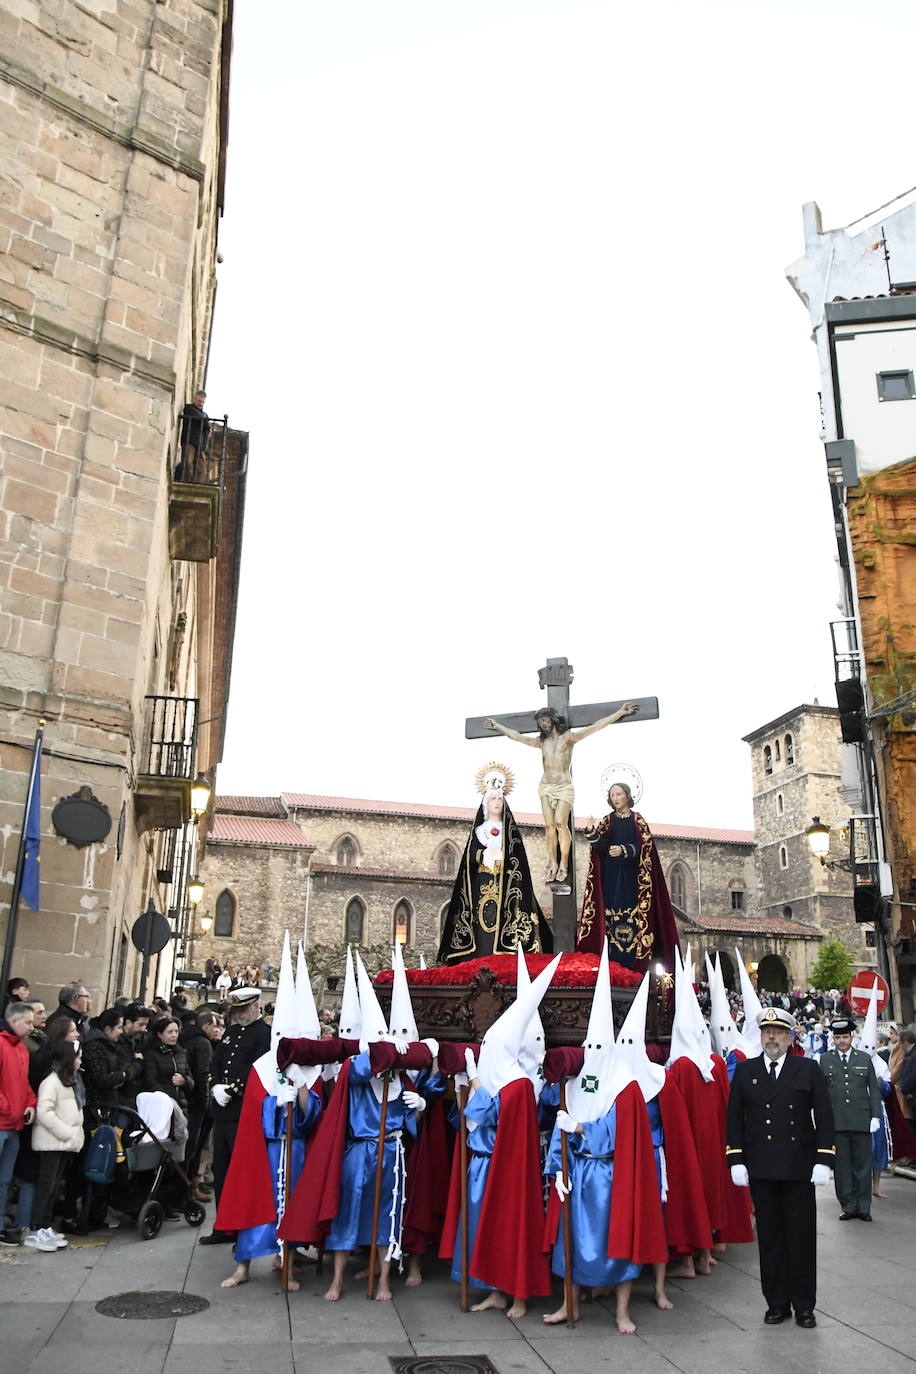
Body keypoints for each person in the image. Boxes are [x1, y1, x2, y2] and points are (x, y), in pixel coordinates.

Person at [726, 1005, 835, 1328]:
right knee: (771, 1239)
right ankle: (776, 1303)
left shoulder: (807, 1069)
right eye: (766, 1031)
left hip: (799, 1167)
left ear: (789, 1037)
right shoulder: (747, 1072)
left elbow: (825, 1117)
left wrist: (824, 1159)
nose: (771, 1037)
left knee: (801, 1238)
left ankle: (804, 1304)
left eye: (777, 1032)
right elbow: (734, 1118)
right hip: (761, 1167)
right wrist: (736, 1158)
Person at [484, 703, 638, 883]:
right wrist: (499, 727)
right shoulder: (541, 742)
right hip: (545, 786)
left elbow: (596, 726)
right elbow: (517, 737)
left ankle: (564, 863)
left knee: (559, 824)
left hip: (564, 787)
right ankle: (553, 863)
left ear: (553, 719)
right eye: (540, 721)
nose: (542, 723)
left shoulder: (568, 738)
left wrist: (619, 712)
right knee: (549, 827)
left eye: (545, 719)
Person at [437, 765, 552, 964]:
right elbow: (468, 857)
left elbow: (519, 861)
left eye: (499, 798)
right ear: (485, 804)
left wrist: (503, 857)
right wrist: (482, 855)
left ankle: (506, 958)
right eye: (492, 799)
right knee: (481, 928)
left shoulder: (510, 833)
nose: (496, 802)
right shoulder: (479, 831)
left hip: (506, 886)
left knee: (504, 920)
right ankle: (478, 958)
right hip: (481, 883)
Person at [576, 783, 681, 971]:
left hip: (633, 880)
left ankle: (634, 964)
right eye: (612, 795)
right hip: (611, 877)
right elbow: (599, 847)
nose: (616, 798)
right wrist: (591, 832)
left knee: (632, 918)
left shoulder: (637, 820)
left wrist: (625, 850)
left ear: (627, 796)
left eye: (619, 794)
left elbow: (645, 847)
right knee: (610, 917)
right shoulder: (607, 821)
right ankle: (610, 964)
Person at [199, 986, 270, 1245]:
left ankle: (240, 1227)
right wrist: (215, 1085)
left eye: (242, 1010)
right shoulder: (230, 1032)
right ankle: (222, 1225)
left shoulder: (264, 1034)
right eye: (236, 1010)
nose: (238, 1015)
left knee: (240, 1172)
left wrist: (234, 1089)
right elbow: (217, 1062)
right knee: (222, 1168)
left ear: (255, 1007)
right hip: (223, 1109)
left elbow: (259, 1068)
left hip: (243, 1111)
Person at [819, 1016, 881, 1222]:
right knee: (842, 1167)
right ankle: (847, 1205)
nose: (842, 1041)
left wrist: (875, 1116)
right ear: (833, 1039)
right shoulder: (825, 1059)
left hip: (861, 1120)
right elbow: (821, 1093)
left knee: (863, 1166)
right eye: (838, 1037)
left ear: (852, 1037)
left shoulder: (864, 1058)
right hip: (837, 1122)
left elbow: (873, 1089)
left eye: (845, 1036)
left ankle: (864, 1206)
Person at [24, 1042, 84, 1252]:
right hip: (52, 1142)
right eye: (77, 1057)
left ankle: (45, 1225)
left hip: (64, 1144)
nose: (80, 1061)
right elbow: (45, 1112)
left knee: (55, 1186)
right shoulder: (51, 1082)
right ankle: (36, 1227)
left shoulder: (70, 1081)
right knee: (46, 1185)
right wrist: (66, 1132)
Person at [0, 1000, 38, 1245]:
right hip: (3, 1122)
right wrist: (10, 1108)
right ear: (14, 1022)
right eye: (28, 1022)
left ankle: (1, 1222)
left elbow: (24, 1086)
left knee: (4, 1179)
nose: (32, 1027)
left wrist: (30, 1105)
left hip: (13, 1125)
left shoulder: (22, 1049)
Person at [81, 1008, 128, 1110]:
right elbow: (99, 1079)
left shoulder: (108, 1045)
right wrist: (123, 1075)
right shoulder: (94, 1046)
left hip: (107, 1102)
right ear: (108, 1029)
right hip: (97, 1104)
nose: (121, 1032)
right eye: (119, 1028)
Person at [142, 1016, 189, 1113]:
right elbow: (150, 1081)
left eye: (176, 1031)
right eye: (170, 1032)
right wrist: (167, 1098)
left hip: (180, 1105)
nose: (174, 1035)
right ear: (160, 1034)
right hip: (160, 1105)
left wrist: (184, 1081)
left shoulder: (181, 1053)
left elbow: (190, 1078)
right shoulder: (152, 1053)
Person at [177, 388, 212, 481]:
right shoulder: (189, 408)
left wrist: (207, 427)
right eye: (199, 401)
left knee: (202, 469)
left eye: (203, 402)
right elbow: (201, 420)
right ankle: (186, 483)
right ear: (195, 399)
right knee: (187, 464)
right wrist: (206, 425)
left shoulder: (205, 414)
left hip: (200, 445)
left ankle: (197, 485)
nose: (201, 403)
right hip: (190, 441)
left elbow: (208, 428)